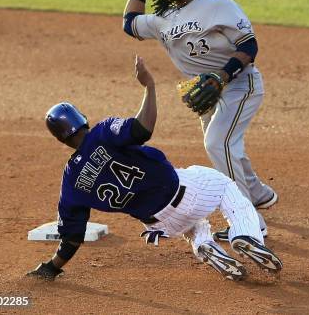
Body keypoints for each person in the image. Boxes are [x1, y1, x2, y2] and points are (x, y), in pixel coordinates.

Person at [26, 56, 282, 282]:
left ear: (60, 138)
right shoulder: (102, 133)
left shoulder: (71, 180)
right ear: (81, 119)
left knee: (191, 225)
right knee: (225, 186)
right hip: (183, 191)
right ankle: (246, 235)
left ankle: (205, 245)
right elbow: (142, 130)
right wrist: (149, 86)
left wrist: (51, 267)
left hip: (160, 223)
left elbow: (72, 236)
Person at [122, 0, 277, 241]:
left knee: (217, 143)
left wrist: (222, 76)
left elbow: (249, 45)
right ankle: (258, 193)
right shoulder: (162, 18)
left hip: (239, 85)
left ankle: (249, 221)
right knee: (226, 145)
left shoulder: (219, 5)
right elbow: (129, 23)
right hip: (204, 93)